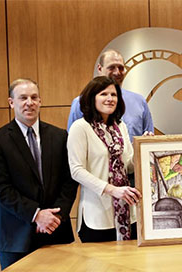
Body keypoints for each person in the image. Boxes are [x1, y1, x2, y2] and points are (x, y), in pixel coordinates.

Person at [0, 79, 78, 270]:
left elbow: (69, 181)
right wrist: (36, 215)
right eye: (23, 98)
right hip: (16, 239)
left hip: (57, 232)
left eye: (34, 97)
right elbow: (1, 190)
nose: (29, 102)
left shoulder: (59, 136)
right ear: (11, 103)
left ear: (40, 101)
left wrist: (55, 217)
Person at [67, 76, 142, 242]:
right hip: (97, 216)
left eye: (114, 95)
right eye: (103, 94)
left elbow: (128, 166)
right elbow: (76, 170)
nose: (110, 99)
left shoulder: (120, 126)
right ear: (91, 98)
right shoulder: (80, 127)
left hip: (127, 213)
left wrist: (142, 148)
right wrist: (112, 189)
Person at [67, 49, 154, 143]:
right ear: (100, 69)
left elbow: (149, 138)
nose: (117, 72)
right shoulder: (81, 102)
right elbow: (72, 142)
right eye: (111, 67)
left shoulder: (139, 101)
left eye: (121, 68)